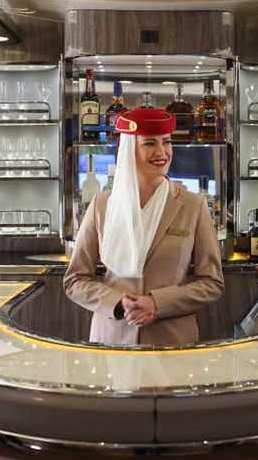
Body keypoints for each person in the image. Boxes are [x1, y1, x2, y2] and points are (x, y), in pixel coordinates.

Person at [64, 108, 224, 346]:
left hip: (171, 341)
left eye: (166, 142)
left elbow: (212, 283)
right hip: (112, 339)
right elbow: (75, 280)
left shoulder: (193, 206)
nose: (161, 152)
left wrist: (158, 302)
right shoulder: (101, 206)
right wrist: (117, 302)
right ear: (129, 150)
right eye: (149, 143)